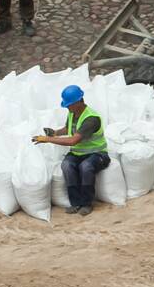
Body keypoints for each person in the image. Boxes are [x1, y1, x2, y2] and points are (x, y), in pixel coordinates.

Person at [31, 85, 110, 215]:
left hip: (98, 154)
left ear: (79, 102)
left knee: (86, 167)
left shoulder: (91, 119)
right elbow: (68, 129)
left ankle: (86, 203)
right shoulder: (72, 113)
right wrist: (55, 133)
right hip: (78, 153)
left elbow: (73, 140)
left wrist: (48, 139)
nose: (67, 107)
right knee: (66, 165)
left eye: (69, 104)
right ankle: (75, 203)